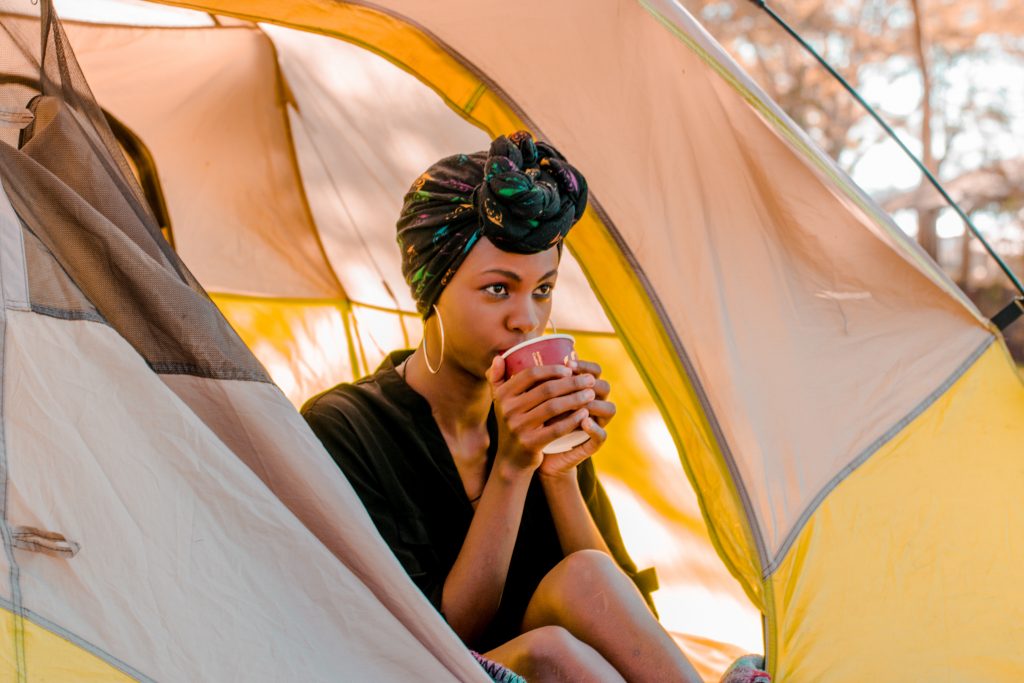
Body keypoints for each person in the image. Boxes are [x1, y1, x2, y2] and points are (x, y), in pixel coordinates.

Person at [302, 131, 704, 682]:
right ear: (432, 291)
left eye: (543, 290)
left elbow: (630, 622)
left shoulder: (533, 419)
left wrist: (559, 472)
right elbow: (440, 645)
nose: (526, 320)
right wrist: (513, 470)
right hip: (424, 670)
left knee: (585, 577)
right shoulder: (345, 428)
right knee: (550, 653)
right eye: (498, 289)